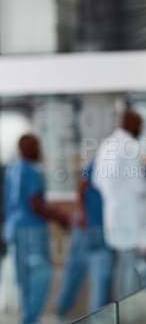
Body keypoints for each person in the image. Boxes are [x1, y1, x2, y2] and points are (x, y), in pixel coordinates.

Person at [3, 134, 69, 324]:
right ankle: (29, 320)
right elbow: (35, 205)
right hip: (31, 231)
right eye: (36, 146)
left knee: (25, 281)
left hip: (16, 231)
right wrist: (59, 217)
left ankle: (28, 318)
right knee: (43, 275)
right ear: (26, 148)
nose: (39, 150)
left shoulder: (13, 169)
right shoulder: (31, 171)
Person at [92, 109, 146, 300]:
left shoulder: (107, 144)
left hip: (114, 215)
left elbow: (96, 180)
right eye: (140, 125)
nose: (141, 129)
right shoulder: (130, 146)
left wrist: (114, 194)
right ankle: (128, 310)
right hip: (131, 217)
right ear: (132, 124)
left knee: (123, 262)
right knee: (132, 265)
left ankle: (121, 307)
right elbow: (138, 186)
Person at [55, 160, 113, 318]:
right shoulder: (100, 161)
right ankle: (60, 313)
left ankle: (97, 318)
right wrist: (82, 215)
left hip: (105, 232)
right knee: (74, 274)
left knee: (102, 280)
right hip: (87, 229)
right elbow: (81, 185)